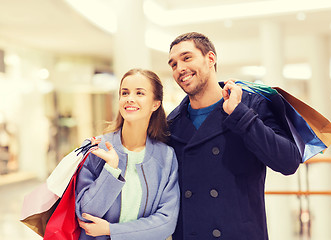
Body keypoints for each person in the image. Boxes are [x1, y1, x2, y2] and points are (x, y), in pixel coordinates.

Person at [167, 32, 301, 239]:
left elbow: (288, 162)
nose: (180, 68)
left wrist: (240, 115)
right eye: (173, 64)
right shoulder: (171, 124)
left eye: (186, 58)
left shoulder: (251, 105)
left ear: (210, 59)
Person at [75, 68, 180, 240]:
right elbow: (85, 213)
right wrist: (111, 170)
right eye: (125, 93)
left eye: (139, 93)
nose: (130, 98)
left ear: (156, 103)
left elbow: (166, 222)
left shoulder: (166, 157)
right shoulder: (96, 148)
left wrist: (111, 230)